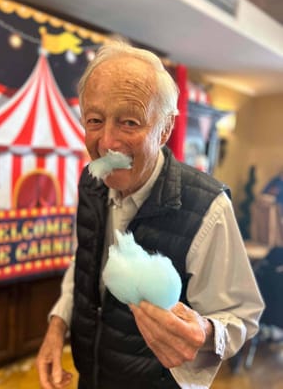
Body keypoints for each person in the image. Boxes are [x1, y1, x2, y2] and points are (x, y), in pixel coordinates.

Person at [36, 40, 264, 389]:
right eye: (95, 120)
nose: (107, 142)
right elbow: (83, 262)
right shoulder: (91, 182)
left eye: (129, 122)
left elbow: (242, 316)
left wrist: (203, 332)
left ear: (166, 129)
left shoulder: (208, 207)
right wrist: (57, 325)